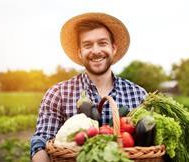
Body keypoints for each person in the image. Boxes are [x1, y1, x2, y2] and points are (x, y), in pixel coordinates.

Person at [30, 12, 147, 162]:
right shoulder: (57, 94)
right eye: (88, 45)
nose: (96, 50)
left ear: (114, 48)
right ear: (80, 53)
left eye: (102, 43)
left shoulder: (138, 94)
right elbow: (41, 141)